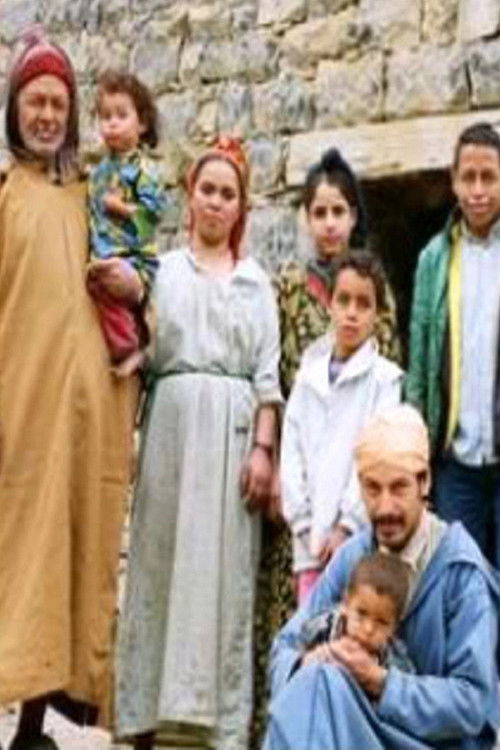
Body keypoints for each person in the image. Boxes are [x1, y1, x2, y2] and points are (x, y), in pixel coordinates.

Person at [115, 136, 282, 750]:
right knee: (157, 565)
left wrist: (263, 449)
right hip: (171, 431)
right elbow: (138, 356)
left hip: (233, 436)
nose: (215, 202)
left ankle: (219, 727)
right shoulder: (162, 273)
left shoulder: (255, 284)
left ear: (241, 207)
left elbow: (268, 378)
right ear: (189, 198)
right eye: (206, 190)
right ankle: (143, 718)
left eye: (227, 194)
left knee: (224, 575)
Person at [0, 27, 137, 750]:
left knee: (73, 557)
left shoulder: (98, 197)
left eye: (58, 103)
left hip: (88, 416)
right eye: (36, 102)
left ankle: (40, 724)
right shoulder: (5, 199)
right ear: (14, 110)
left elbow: (138, 275)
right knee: (22, 557)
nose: (48, 115)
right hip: (21, 410)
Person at [251, 147, 400, 747]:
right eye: (320, 211)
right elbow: (289, 424)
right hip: (303, 512)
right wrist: (300, 509)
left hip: (353, 516)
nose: (330, 222)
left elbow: (380, 437)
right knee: (300, 626)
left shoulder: (382, 366)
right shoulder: (291, 304)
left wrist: (347, 519)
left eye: (341, 211)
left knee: (352, 628)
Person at [264, 405, 500, 750]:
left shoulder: (461, 572)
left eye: (398, 488)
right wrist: (311, 660)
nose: (385, 507)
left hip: (429, 744)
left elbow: (472, 703)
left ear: (425, 482)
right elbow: (284, 649)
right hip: (352, 731)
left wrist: (381, 682)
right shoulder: (354, 556)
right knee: (317, 681)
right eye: (373, 489)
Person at [281, 251, 402, 602]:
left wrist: (347, 526)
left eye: (363, 304)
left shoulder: (384, 382)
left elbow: (375, 458)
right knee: (313, 622)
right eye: (343, 300)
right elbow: (292, 452)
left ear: (377, 314)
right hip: (310, 544)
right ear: (329, 304)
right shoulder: (308, 376)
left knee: (356, 621)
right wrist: (303, 523)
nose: (351, 313)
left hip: (358, 541)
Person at [406, 122, 500, 567]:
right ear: (453, 181)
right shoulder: (434, 259)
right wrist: (416, 454)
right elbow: (420, 361)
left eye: (489, 177)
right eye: (469, 178)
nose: (478, 191)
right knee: (463, 580)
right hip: (455, 463)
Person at [87, 69, 165, 377]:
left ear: (141, 123)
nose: (112, 124)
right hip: (102, 252)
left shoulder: (144, 170)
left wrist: (123, 209)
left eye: (121, 115)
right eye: (106, 116)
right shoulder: (99, 172)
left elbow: (153, 215)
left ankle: (130, 343)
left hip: (132, 257)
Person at [301, 552, 414, 677]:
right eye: (361, 614)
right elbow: (295, 651)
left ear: (394, 627)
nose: (368, 629)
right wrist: (310, 659)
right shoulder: (321, 628)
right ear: (345, 604)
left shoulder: (395, 661)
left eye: (381, 622)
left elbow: (405, 682)